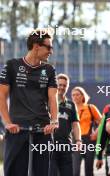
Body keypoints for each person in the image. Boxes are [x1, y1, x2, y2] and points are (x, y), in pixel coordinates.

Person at [0, 29, 58, 176]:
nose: (51, 51)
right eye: (49, 47)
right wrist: (7, 123)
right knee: (14, 172)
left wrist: (54, 121)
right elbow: (1, 95)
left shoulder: (50, 69)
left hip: (43, 130)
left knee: (43, 172)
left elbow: (53, 98)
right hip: (17, 129)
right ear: (36, 46)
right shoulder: (11, 65)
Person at [50, 73, 82, 176]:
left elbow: (76, 124)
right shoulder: (47, 101)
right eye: (59, 84)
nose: (62, 87)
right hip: (49, 145)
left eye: (64, 85)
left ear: (67, 87)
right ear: (55, 85)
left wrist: (78, 140)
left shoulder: (71, 105)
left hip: (66, 146)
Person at [71, 86, 102, 176]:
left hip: (89, 140)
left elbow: (102, 122)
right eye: (73, 95)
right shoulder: (70, 108)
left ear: (83, 96)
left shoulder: (90, 107)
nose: (75, 97)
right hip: (76, 140)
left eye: (77, 94)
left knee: (89, 169)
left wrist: (96, 133)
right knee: (75, 169)